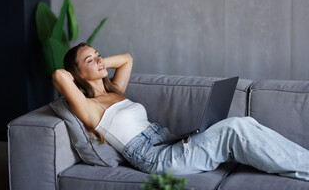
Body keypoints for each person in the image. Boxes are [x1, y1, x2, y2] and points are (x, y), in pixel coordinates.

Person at [53, 42, 309, 181]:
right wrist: (82, 73)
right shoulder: (90, 108)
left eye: (98, 54)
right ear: (78, 73)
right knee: (234, 129)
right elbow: (58, 75)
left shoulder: (114, 91)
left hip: (168, 142)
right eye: (90, 60)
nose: (99, 60)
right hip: (155, 159)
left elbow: (128, 58)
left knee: (246, 122)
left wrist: (98, 63)